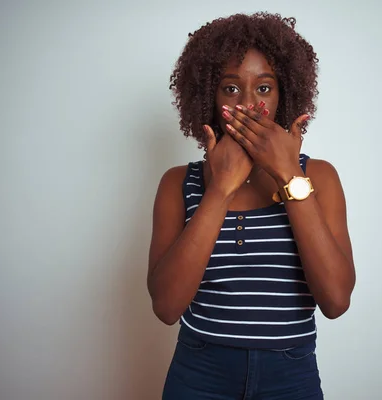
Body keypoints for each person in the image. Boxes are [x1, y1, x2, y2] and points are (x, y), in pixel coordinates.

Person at [147, 12, 356, 399]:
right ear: (208, 95)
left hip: (291, 377)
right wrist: (219, 190)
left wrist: (288, 174)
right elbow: (166, 307)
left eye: (264, 88)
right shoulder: (179, 183)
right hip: (199, 375)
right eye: (230, 89)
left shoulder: (319, 178)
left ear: (284, 96)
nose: (248, 105)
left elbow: (336, 300)